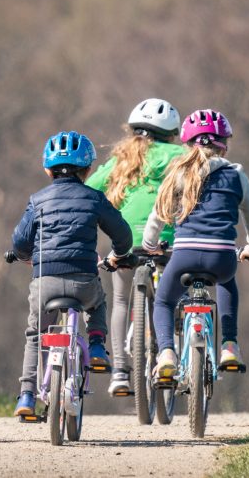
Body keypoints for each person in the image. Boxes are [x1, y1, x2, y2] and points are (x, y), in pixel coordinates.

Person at [10, 131, 133, 416]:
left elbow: (19, 242)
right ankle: (98, 346)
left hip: (45, 282)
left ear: (46, 168)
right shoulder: (94, 198)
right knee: (99, 302)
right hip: (83, 280)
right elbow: (123, 234)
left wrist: (26, 257)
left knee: (35, 335)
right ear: (88, 169)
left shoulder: (37, 200)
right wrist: (119, 254)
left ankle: (27, 396)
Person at [142, 109, 249, 378]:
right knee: (227, 282)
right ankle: (229, 345)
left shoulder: (178, 174)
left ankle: (166, 354)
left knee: (163, 301)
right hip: (221, 257)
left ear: (187, 144)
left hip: (184, 254)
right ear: (225, 145)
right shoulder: (236, 175)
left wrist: (150, 244)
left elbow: (157, 216)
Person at [86, 98, 185, 396]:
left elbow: (88, 190)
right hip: (167, 240)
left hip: (125, 242)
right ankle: (171, 349)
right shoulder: (182, 155)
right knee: (171, 300)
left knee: (119, 300)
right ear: (172, 133)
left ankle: (119, 372)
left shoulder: (121, 159)